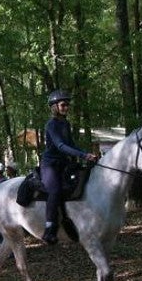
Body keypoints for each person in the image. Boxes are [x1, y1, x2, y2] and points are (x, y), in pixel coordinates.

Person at [41, 90, 98, 245]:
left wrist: (86, 153)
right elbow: (60, 146)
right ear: (54, 107)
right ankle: (49, 228)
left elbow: (71, 144)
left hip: (64, 163)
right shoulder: (51, 125)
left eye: (68, 105)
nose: (66, 107)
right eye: (63, 104)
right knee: (55, 190)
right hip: (50, 164)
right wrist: (83, 155)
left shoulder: (65, 123)